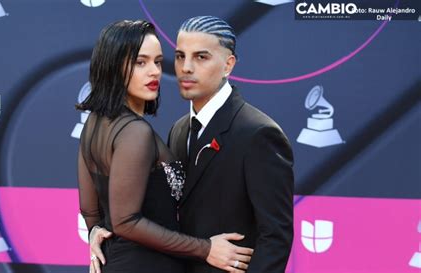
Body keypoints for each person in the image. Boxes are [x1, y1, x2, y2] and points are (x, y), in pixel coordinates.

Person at [77, 20, 253, 273]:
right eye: (140, 62)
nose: (154, 72)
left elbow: (89, 209)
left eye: (158, 62)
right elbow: (126, 221)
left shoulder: (94, 124)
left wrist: (95, 232)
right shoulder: (135, 132)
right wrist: (206, 248)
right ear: (113, 67)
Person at [167, 16, 295, 273]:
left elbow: (275, 237)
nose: (186, 67)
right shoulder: (179, 129)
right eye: (180, 56)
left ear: (228, 65)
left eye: (201, 57)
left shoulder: (259, 133)